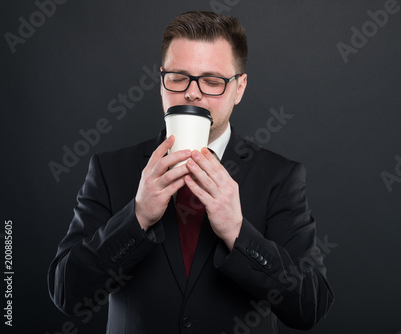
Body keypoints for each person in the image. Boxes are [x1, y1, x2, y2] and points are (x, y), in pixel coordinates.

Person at [48, 10, 334, 333]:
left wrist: (239, 233)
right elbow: (66, 293)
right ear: (161, 83)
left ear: (239, 88)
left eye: (212, 81)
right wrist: (137, 217)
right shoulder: (110, 170)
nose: (192, 93)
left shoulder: (280, 177)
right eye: (178, 78)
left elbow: (311, 305)